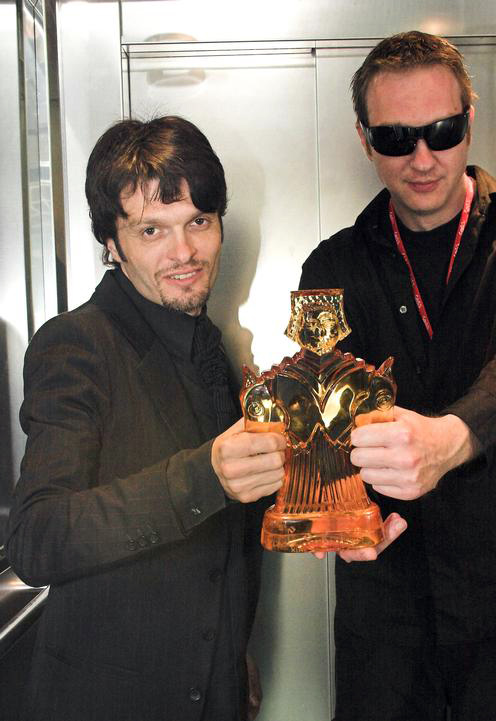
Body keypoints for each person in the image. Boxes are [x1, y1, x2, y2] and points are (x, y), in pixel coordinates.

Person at [299, 31, 496, 721]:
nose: (423, 158)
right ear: (364, 139)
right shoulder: (330, 268)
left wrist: (451, 438)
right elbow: (319, 420)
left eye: (442, 131)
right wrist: (331, 508)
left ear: (470, 116)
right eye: (396, 138)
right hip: (388, 625)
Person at [6, 116, 286, 721]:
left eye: (198, 222)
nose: (183, 253)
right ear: (112, 242)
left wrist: (230, 654)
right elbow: (36, 538)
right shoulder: (76, 344)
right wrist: (205, 477)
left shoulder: (214, 348)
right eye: (151, 230)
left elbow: (223, 548)